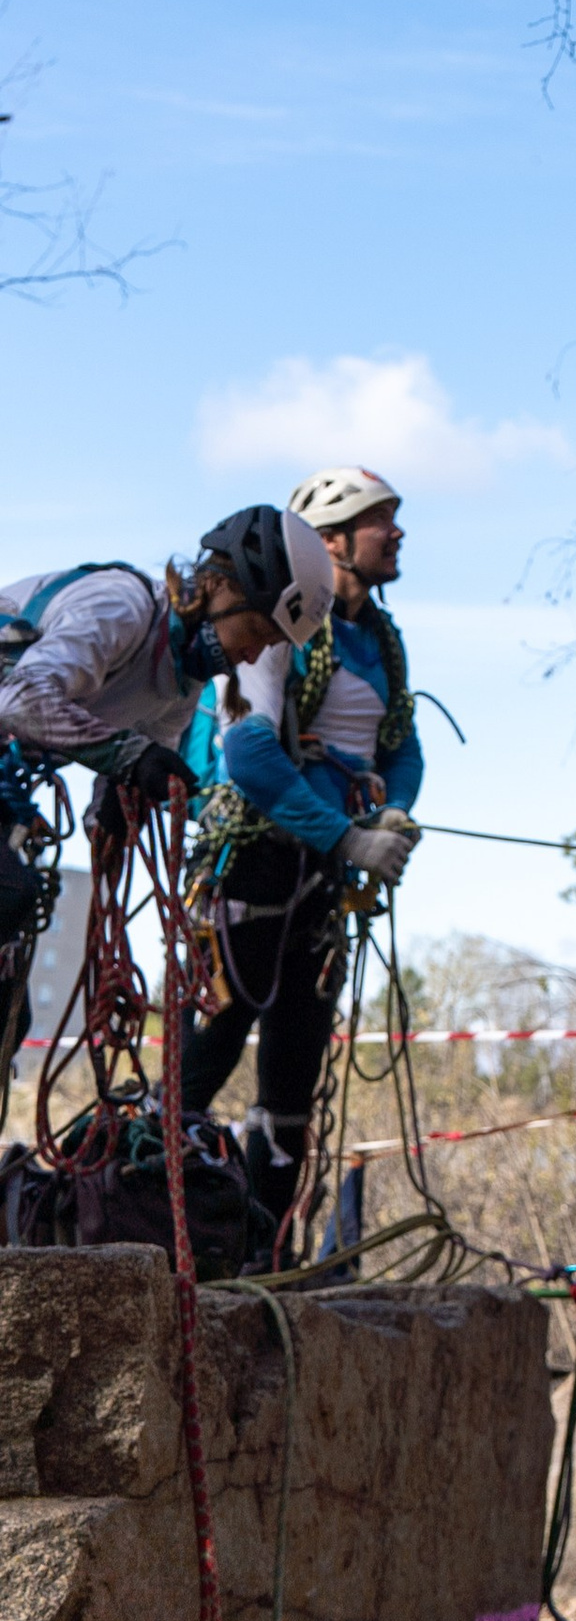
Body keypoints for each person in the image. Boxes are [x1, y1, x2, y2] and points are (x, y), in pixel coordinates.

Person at [181, 467, 426, 1257]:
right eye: (380, 520)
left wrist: (391, 811)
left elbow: (402, 744)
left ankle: (265, 1252)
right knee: (207, 1053)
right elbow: (248, 749)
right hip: (250, 860)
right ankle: (144, 1225)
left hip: (324, 874)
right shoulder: (284, 621)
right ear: (331, 541)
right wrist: (349, 836)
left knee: (294, 1075)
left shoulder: (382, 640)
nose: (396, 533)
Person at [0, 510, 338, 1079]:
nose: (253, 657)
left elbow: (134, 760)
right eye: (257, 633)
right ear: (221, 588)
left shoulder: (180, 682)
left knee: (9, 1008)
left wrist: (110, 814)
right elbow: (22, 700)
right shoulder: (122, 607)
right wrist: (127, 760)